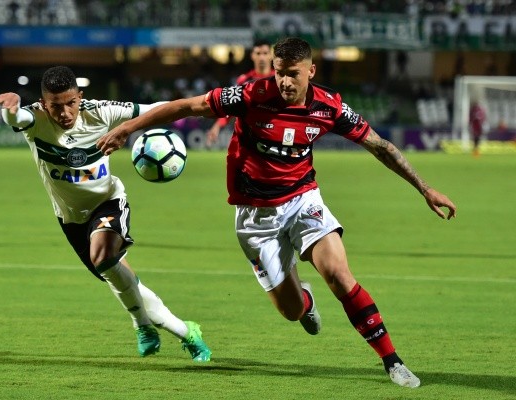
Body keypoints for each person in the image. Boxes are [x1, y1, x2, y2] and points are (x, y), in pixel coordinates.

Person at [97, 37, 458, 388]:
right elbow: (188, 106)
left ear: (310, 71)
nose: (285, 81)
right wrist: (128, 128)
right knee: (291, 311)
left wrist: (425, 188)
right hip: (256, 219)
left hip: (303, 201)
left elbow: (380, 146)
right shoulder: (250, 95)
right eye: (279, 72)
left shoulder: (329, 107)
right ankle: (305, 300)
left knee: (339, 275)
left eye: (293, 74)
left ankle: (393, 361)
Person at [0, 66, 211, 362]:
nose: (65, 113)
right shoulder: (36, 120)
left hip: (108, 201)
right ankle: (187, 332)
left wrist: (201, 105)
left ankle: (141, 325)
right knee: (123, 279)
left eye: (71, 103)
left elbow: (155, 109)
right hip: (71, 219)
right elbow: (16, 118)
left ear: (80, 97)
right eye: (56, 106)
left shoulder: (102, 112)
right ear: (44, 104)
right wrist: (10, 109)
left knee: (103, 256)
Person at [205, 39, 274, 147]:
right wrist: (217, 126)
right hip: (250, 135)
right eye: (258, 53)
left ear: (271, 55)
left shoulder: (279, 79)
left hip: (273, 132)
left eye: (265, 53)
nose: (261, 57)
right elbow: (231, 105)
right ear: (252, 56)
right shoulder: (244, 81)